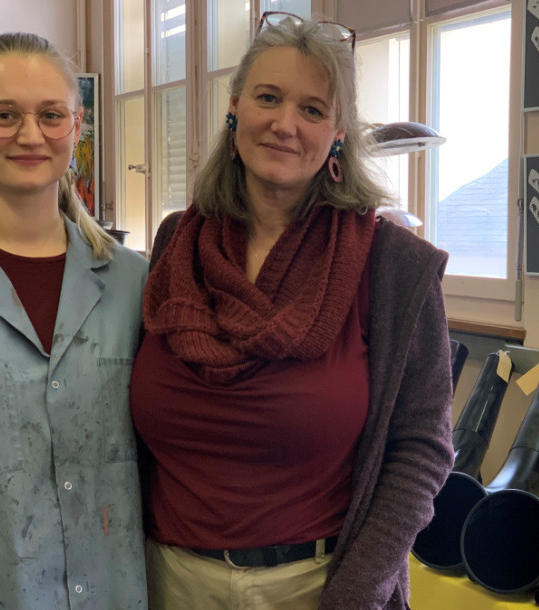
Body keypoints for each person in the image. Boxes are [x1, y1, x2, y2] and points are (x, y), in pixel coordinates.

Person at [131, 12, 454, 610]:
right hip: (164, 581)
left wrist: (355, 596)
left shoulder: (394, 267)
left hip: (317, 587)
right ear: (235, 110)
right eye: (268, 98)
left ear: (338, 133)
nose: (285, 125)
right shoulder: (177, 244)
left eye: (312, 109)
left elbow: (421, 452)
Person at [0, 32, 149, 608]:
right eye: (4, 115)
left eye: (50, 115)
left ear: (75, 125)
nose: (30, 135)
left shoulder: (138, 284)